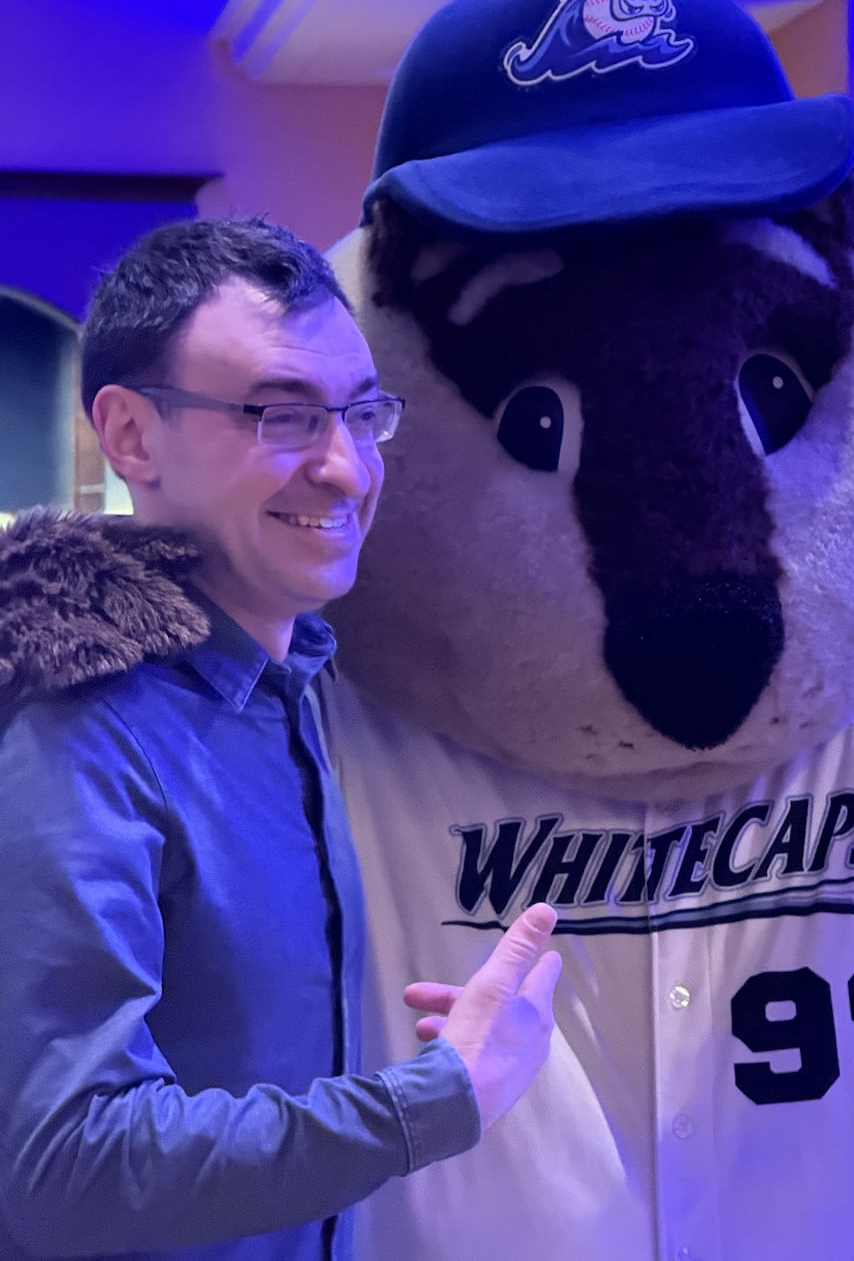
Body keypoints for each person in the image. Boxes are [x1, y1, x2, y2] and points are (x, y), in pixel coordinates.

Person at [0, 215, 562, 1261]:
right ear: (129, 436)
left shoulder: (290, 681)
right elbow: (61, 1163)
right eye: (281, 416)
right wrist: (436, 1100)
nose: (347, 470)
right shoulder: (77, 730)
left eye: (360, 413)